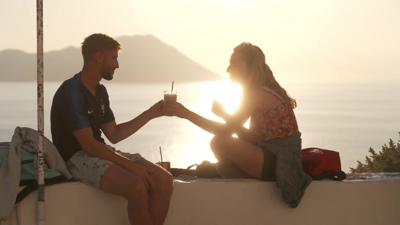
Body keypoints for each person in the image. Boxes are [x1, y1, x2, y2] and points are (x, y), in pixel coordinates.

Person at [165, 42, 311, 208]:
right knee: (223, 161)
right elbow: (253, 137)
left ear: (249, 67)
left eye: (234, 64)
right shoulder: (260, 90)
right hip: (274, 159)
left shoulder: (257, 94)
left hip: (280, 164)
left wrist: (186, 114)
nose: (228, 69)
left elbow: (225, 132)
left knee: (219, 143)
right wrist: (226, 115)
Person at [50, 33, 173, 225]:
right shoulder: (71, 91)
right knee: (136, 185)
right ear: (98, 57)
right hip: (76, 158)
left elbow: (114, 134)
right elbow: (89, 145)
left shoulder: (100, 91)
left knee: (163, 179)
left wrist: (151, 113)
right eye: (114, 58)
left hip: (101, 152)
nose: (117, 65)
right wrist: (132, 167)